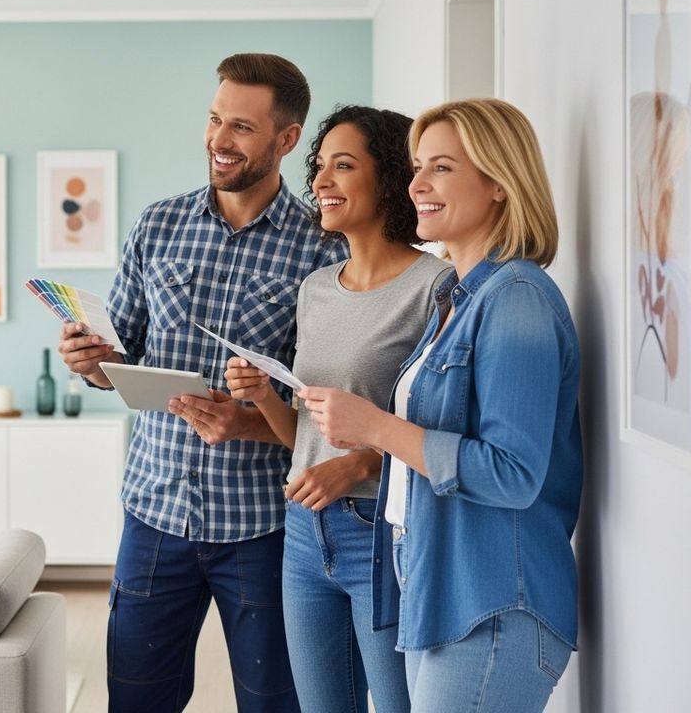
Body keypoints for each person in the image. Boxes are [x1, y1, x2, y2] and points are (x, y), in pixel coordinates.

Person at [57, 53, 346, 712]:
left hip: (264, 526)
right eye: (215, 119)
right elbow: (119, 354)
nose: (219, 140)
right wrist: (90, 361)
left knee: (275, 702)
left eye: (242, 127)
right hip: (154, 513)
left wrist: (249, 420)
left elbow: (330, 407)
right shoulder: (157, 225)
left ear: (286, 139)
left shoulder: (324, 249)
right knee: (135, 701)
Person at [301, 98, 583, 712]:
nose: (418, 184)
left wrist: (376, 428)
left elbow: (512, 473)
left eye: (442, 168)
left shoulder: (516, 299)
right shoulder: (460, 298)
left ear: (500, 185)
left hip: (492, 608)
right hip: (443, 594)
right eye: (417, 167)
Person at [224, 105, 448, 713]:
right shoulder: (316, 288)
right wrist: (263, 394)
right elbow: (305, 434)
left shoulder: (437, 286)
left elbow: (447, 432)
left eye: (342, 167)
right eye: (319, 167)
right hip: (302, 532)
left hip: (382, 533)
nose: (319, 181)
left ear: (393, 178)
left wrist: (360, 466)